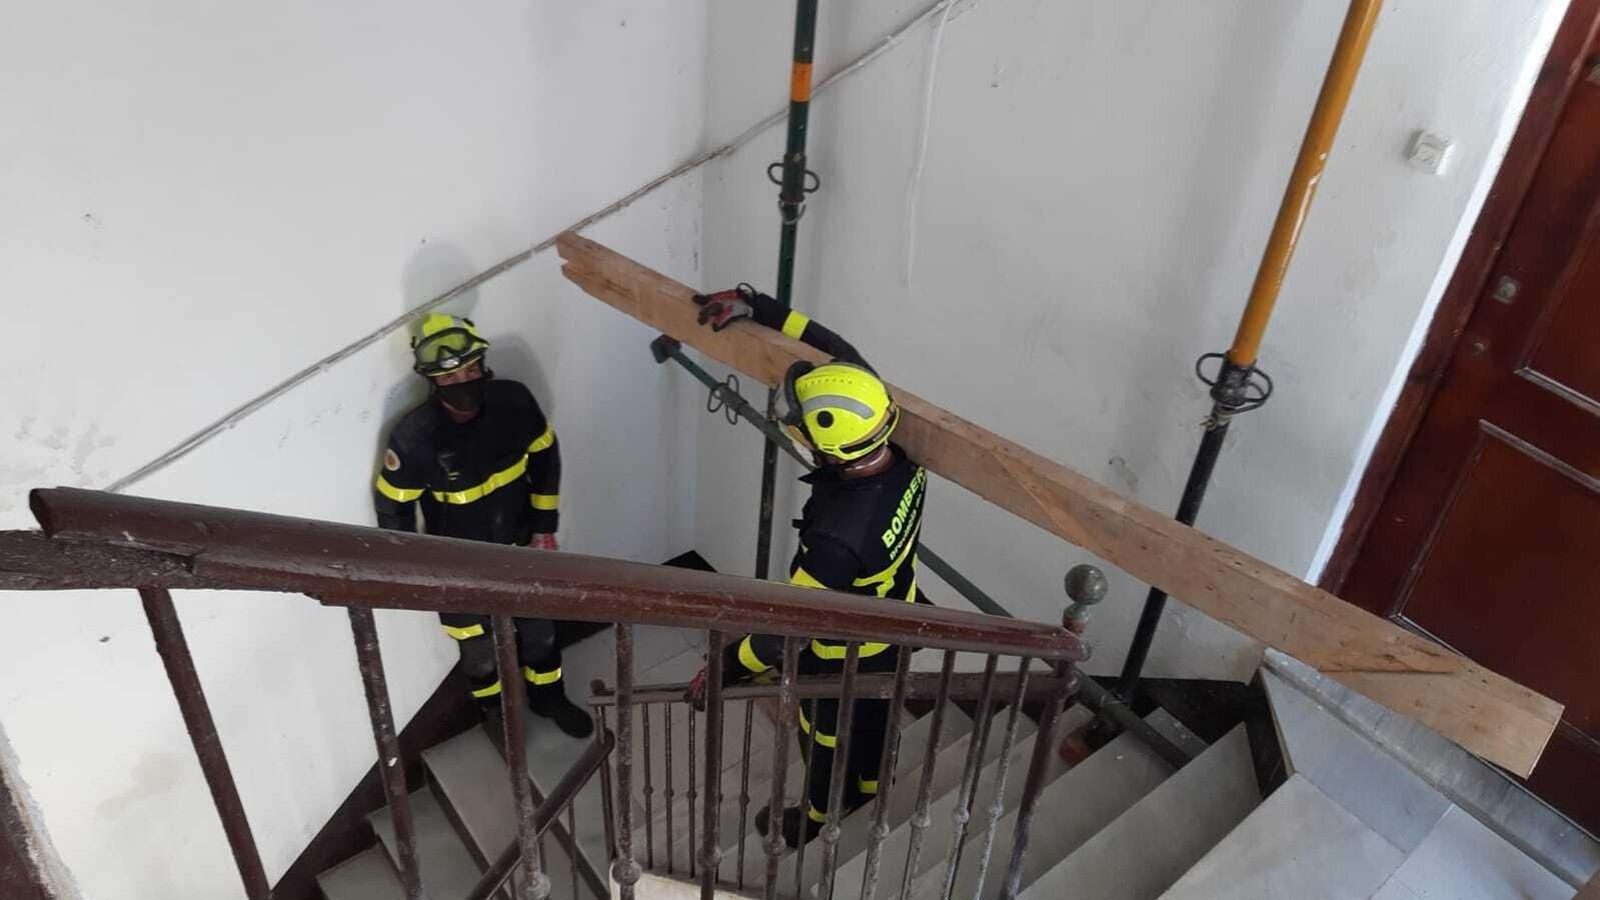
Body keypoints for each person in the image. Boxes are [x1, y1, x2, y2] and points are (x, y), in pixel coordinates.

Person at [687, 285, 929, 847]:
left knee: (823, 733)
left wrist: (726, 667)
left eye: (800, 427)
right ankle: (870, 786)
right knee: (873, 718)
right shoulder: (879, 429)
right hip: (898, 619)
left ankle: (816, 818)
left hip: (841, 654)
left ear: (829, 452)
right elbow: (838, 350)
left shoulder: (836, 539)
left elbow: (783, 633)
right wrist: (762, 308)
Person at [373, 312, 592, 738]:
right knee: (478, 653)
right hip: (457, 567)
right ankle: (496, 714)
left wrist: (544, 528)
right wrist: (420, 572)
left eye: (471, 370)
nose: (465, 382)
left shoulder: (514, 402)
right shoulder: (414, 437)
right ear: (433, 380)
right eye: (451, 376)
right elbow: (392, 512)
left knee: (541, 634)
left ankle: (549, 698)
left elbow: (546, 457)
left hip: (523, 547)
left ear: (483, 365)